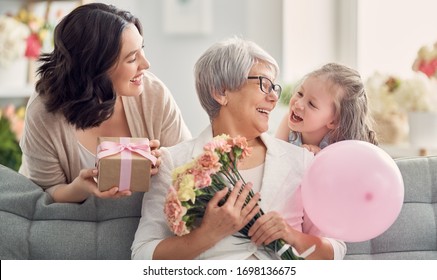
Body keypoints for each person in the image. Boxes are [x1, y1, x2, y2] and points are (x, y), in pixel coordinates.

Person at [131, 37, 346, 260]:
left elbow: (335, 250)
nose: (274, 98)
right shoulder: (173, 162)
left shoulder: (301, 160)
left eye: (274, 87)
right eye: (264, 84)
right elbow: (142, 255)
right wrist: (205, 236)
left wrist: (292, 236)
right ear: (221, 92)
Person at [19, 3, 192, 203]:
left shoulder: (154, 94)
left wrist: (165, 163)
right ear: (96, 67)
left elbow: (187, 169)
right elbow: (44, 192)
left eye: (141, 50)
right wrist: (80, 188)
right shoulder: (44, 112)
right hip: (69, 219)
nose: (146, 64)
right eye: (132, 58)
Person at [276, 63, 378, 154]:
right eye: (300, 93)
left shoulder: (339, 146)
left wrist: (320, 158)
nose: (298, 104)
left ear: (334, 121)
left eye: (311, 104)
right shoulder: (288, 122)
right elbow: (275, 155)